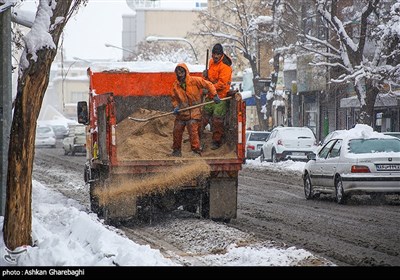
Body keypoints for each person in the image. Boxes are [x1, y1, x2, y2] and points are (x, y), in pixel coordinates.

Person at [169, 63, 219, 157]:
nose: (180, 74)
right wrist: (175, 106)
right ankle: (176, 151)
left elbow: (208, 84)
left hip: (194, 112)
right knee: (177, 131)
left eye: (182, 71)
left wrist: (214, 95)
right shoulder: (175, 85)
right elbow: (174, 98)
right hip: (182, 112)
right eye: (178, 72)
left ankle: (196, 151)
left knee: (193, 131)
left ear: (185, 71)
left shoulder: (195, 80)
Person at [202, 43, 233, 150]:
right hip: (210, 96)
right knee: (203, 117)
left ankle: (217, 141)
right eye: (214, 54)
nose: (215, 56)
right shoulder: (211, 62)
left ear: (221, 54)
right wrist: (205, 76)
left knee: (217, 120)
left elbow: (221, 84)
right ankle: (197, 137)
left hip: (220, 97)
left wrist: (209, 88)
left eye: (218, 54)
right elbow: (209, 80)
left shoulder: (225, 67)